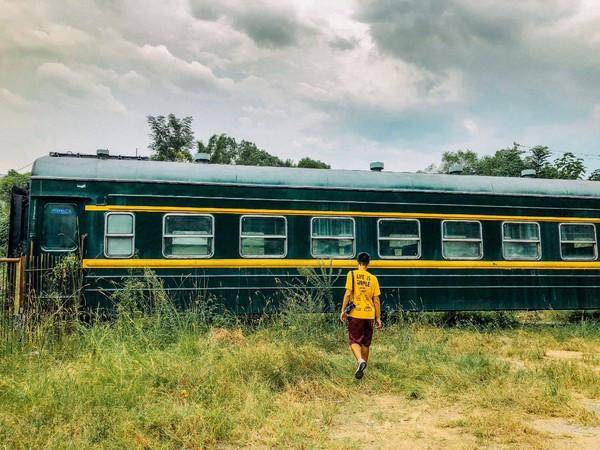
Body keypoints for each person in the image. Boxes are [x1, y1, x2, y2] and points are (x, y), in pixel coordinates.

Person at [339, 252, 382, 379]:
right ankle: (362, 371)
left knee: (354, 341)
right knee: (365, 344)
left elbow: (348, 294)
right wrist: (378, 318)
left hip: (356, 314)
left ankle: (360, 361)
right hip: (369, 314)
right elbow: (376, 300)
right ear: (368, 264)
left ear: (358, 262)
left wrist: (343, 310)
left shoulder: (352, 274)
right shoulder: (373, 278)